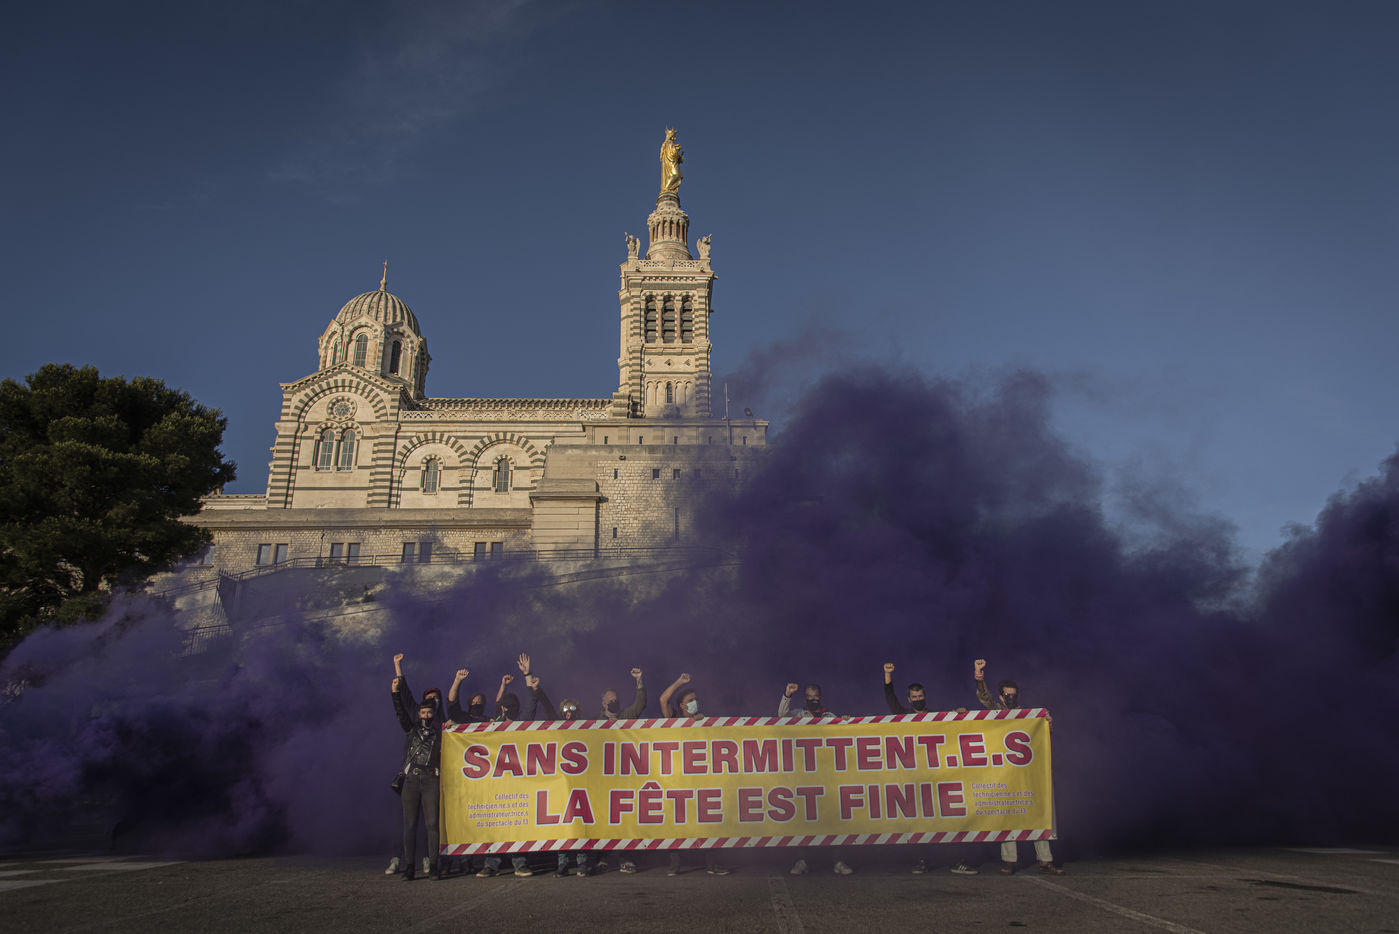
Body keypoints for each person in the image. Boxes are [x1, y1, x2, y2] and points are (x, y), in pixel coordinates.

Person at [881, 662, 977, 876]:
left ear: (925, 696)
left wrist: (959, 715)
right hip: (916, 778)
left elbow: (954, 729)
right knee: (919, 823)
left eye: (920, 696)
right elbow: (890, 697)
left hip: (938, 777)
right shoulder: (903, 716)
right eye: (914, 697)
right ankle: (921, 861)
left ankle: (957, 861)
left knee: (948, 821)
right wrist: (887, 675)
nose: (918, 699)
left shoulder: (937, 717)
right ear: (909, 700)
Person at [974, 658, 1063, 875]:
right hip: (1004, 773)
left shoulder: (1029, 716)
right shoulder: (997, 711)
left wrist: (1046, 723)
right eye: (1008, 695)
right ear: (1001, 697)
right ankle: (1009, 861)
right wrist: (979, 676)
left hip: (1027, 773)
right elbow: (984, 697)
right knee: (1008, 815)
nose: (1011, 698)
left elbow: (1043, 737)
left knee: (1038, 814)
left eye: (1014, 695)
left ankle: (1045, 860)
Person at [776, 682, 852, 876]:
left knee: (834, 820)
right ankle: (802, 861)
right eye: (809, 696)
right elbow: (781, 717)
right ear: (805, 698)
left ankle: (838, 861)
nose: (813, 699)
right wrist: (787, 695)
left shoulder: (830, 717)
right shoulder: (798, 715)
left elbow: (845, 735)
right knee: (805, 821)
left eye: (815, 696)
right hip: (805, 776)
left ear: (820, 696)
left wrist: (845, 722)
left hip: (828, 775)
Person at [658, 673, 728, 876]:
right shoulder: (674, 720)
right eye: (690, 700)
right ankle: (675, 865)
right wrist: (680, 682)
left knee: (707, 821)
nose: (694, 702)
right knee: (677, 822)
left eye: (696, 699)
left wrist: (701, 724)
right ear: (682, 706)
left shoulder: (704, 721)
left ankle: (712, 864)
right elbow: (663, 700)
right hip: (679, 780)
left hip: (700, 780)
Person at [386, 653, 443, 876]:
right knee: (409, 824)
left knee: (432, 824)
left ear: (434, 713)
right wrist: (395, 689)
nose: (426, 715)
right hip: (411, 780)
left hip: (431, 779)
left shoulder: (440, 733)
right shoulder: (411, 730)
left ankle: (434, 865)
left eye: (429, 712)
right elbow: (401, 709)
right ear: (419, 714)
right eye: (423, 712)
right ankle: (410, 866)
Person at [478, 658, 533, 878]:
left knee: (517, 823)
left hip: (518, 780)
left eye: (512, 707)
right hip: (497, 780)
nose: (509, 710)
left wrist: (527, 675)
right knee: (496, 823)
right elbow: (497, 705)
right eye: (506, 707)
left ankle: (520, 863)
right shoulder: (496, 724)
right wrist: (503, 686)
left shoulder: (522, 723)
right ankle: (491, 863)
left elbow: (531, 703)